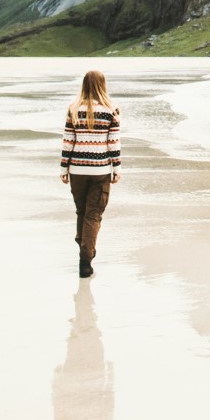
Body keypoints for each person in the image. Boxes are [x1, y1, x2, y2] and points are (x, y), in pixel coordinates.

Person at [60, 70, 121, 278]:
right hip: (101, 170)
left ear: (84, 85)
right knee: (93, 214)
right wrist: (117, 168)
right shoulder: (111, 110)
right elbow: (113, 142)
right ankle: (85, 260)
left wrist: (64, 168)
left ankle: (84, 248)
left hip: (77, 169)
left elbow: (68, 140)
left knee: (82, 212)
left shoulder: (74, 109)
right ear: (103, 85)